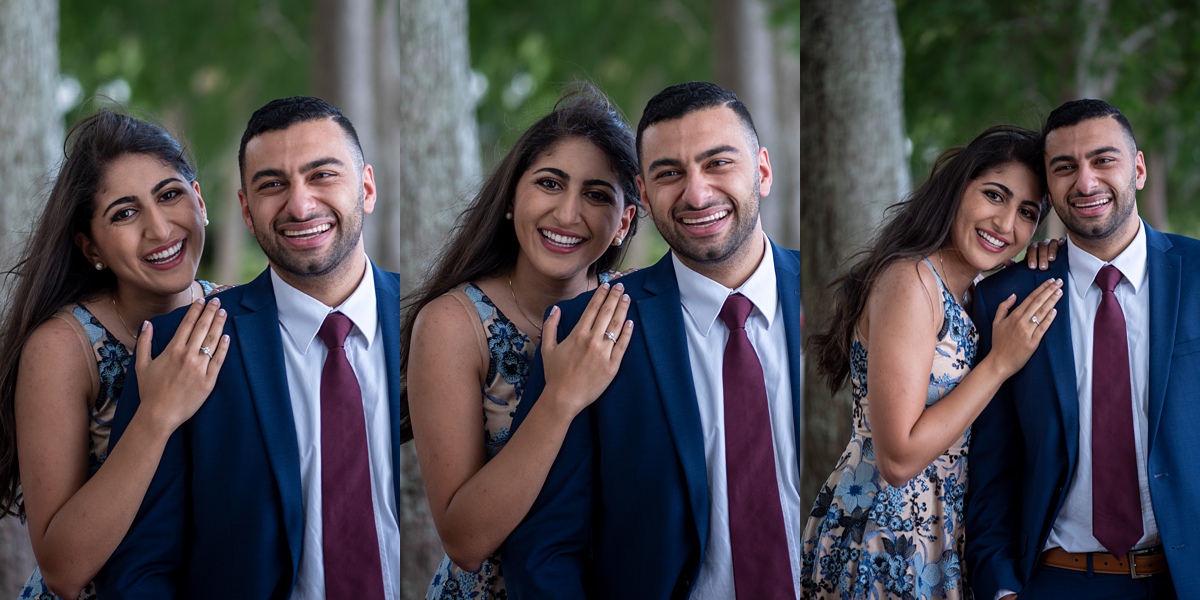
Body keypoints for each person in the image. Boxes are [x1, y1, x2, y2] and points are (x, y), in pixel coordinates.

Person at [503, 81, 800, 598]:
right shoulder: (590, 328)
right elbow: (545, 551)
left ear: (763, 171)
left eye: (718, 163)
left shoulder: (837, 298)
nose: (697, 193)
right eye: (670, 173)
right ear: (643, 194)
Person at [95, 96, 401, 598]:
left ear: (366, 187)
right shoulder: (182, 348)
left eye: (322, 175)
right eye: (273, 184)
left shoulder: (426, 322)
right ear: (245, 209)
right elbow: (141, 571)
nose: (300, 205)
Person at [799, 125, 1062, 599]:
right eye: (994, 195)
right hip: (885, 536)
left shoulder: (969, 294)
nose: (1006, 224)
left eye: (1027, 213)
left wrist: (1045, 263)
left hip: (942, 533)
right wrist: (999, 364)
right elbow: (898, 457)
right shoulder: (912, 281)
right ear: (957, 188)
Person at [403, 87, 640, 598]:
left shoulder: (631, 312)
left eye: (597, 194)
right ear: (513, 197)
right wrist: (560, 398)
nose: (568, 213)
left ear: (624, 222)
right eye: (550, 184)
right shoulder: (453, 325)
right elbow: (464, 541)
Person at [967, 100, 1200, 599]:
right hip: (1056, 579)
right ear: (1049, 188)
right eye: (1065, 167)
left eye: (1104, 160)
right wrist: (1001, 588)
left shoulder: (1198, 273)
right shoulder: (1003, 298)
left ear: (1138, 169)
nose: (1086, 182)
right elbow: (991, 465)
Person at [0, 110, 228, 600]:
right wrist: (157, 414)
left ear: (200, 200)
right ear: (91, 248)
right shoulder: (64, 347)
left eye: (169, 195)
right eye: (124, 213)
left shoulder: (238, 315)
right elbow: (63, 570)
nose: (159, 228)